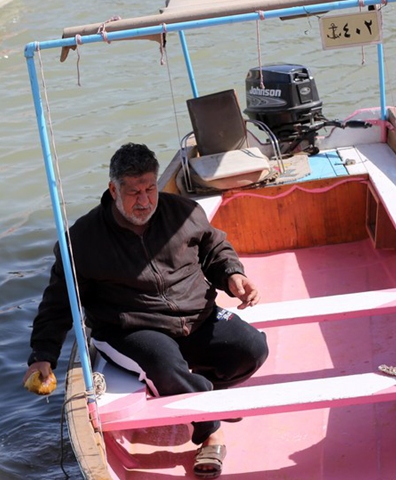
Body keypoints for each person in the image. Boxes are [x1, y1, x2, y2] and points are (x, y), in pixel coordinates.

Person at [23, 142, 269, 478]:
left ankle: (197, 388)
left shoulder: (183, 212)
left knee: (252, 348)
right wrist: (43, 355)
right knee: (164, 364)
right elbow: (57, 303)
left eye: (150, 188)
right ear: (113, 190)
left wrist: (233, 275)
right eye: (133, 192)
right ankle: (210, 431)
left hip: (194, 315)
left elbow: (215, 250)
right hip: (131, 326)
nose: (144, 200)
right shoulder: (81, 239)